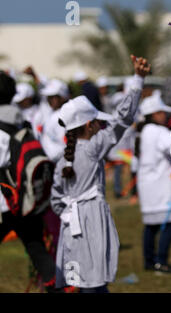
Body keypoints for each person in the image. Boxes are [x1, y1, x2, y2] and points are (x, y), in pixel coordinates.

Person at [50, 55, 149, 292]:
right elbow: (122, 119)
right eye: (97, 123)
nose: (100, 126)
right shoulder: (93, 148)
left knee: (80, 276)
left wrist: (67, 214)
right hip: (90, 219)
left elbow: (55, 199)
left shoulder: (63, 159)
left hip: (70, 223)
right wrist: (137, 79)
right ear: (89, 126)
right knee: (95, 279)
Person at [0, 71, 61, 293]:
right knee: (37, 249)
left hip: (5, 202)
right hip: (26, 199)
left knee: (36, 248)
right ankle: (59, 289)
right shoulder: (21, 122)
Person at [136, 93, 171, 274]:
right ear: (154, 113)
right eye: (161, 112)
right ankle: (161, 262)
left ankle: (149, 261)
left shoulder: (145, 131)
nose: (165, 115)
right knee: (169, 222)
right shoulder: (159, 132)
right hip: (162, 183)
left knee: (151, 225)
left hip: (148, 183)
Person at [40, 79, 70, 162]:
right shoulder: (52, 112)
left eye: (53, 97)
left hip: (61, 162)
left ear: (63, 97)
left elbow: (66, 144)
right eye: (48, 97)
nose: (49, 100)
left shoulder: (63, 115)